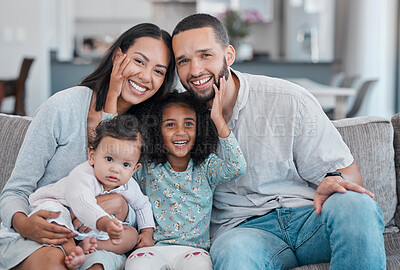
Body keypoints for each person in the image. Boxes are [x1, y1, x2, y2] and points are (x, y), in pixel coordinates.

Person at [171, 13, 386, 270]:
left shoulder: (287, 99)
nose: (195, 70)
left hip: (309, 217)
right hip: (243, 233)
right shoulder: (178, 120)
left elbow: (350, 175)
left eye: (205, 55)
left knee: (357, 206)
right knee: (233, 252)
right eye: (184, 61)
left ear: (228, 55)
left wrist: (335, 179)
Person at [0, 22, 175, 270]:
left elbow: (142, 206)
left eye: (159, 71)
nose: (146, 77)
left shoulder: (149, 130)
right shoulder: (63, 107)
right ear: (118, 56)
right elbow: (15, 191)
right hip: (46, 231)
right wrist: (23, 223)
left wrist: (119, 204)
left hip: (99, 241)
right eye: (139, 61)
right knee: (54, 261)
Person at [124, 88, 247, 269]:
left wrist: (218, 120)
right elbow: (113, 152)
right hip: (153, 248)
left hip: (193, 251)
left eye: (189, 124)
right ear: (157, 131)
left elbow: (237, 166)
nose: (181, 132)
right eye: (170, 125)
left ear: (199, 129)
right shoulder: (146, 167)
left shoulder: (207, 167)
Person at [24, 115, 155, 269]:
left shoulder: (128, 185)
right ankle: (72, 251)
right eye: (109, 159)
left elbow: (142, 205)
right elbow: (82, 203)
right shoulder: (83, 175)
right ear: (92, 156)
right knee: (57, 215)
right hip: (63, 209)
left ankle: (94, 245)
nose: (115, 169)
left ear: (134, 169)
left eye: (125, 164)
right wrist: (105, 223)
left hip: (91, 228)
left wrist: (147, 233)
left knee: (131, 235)